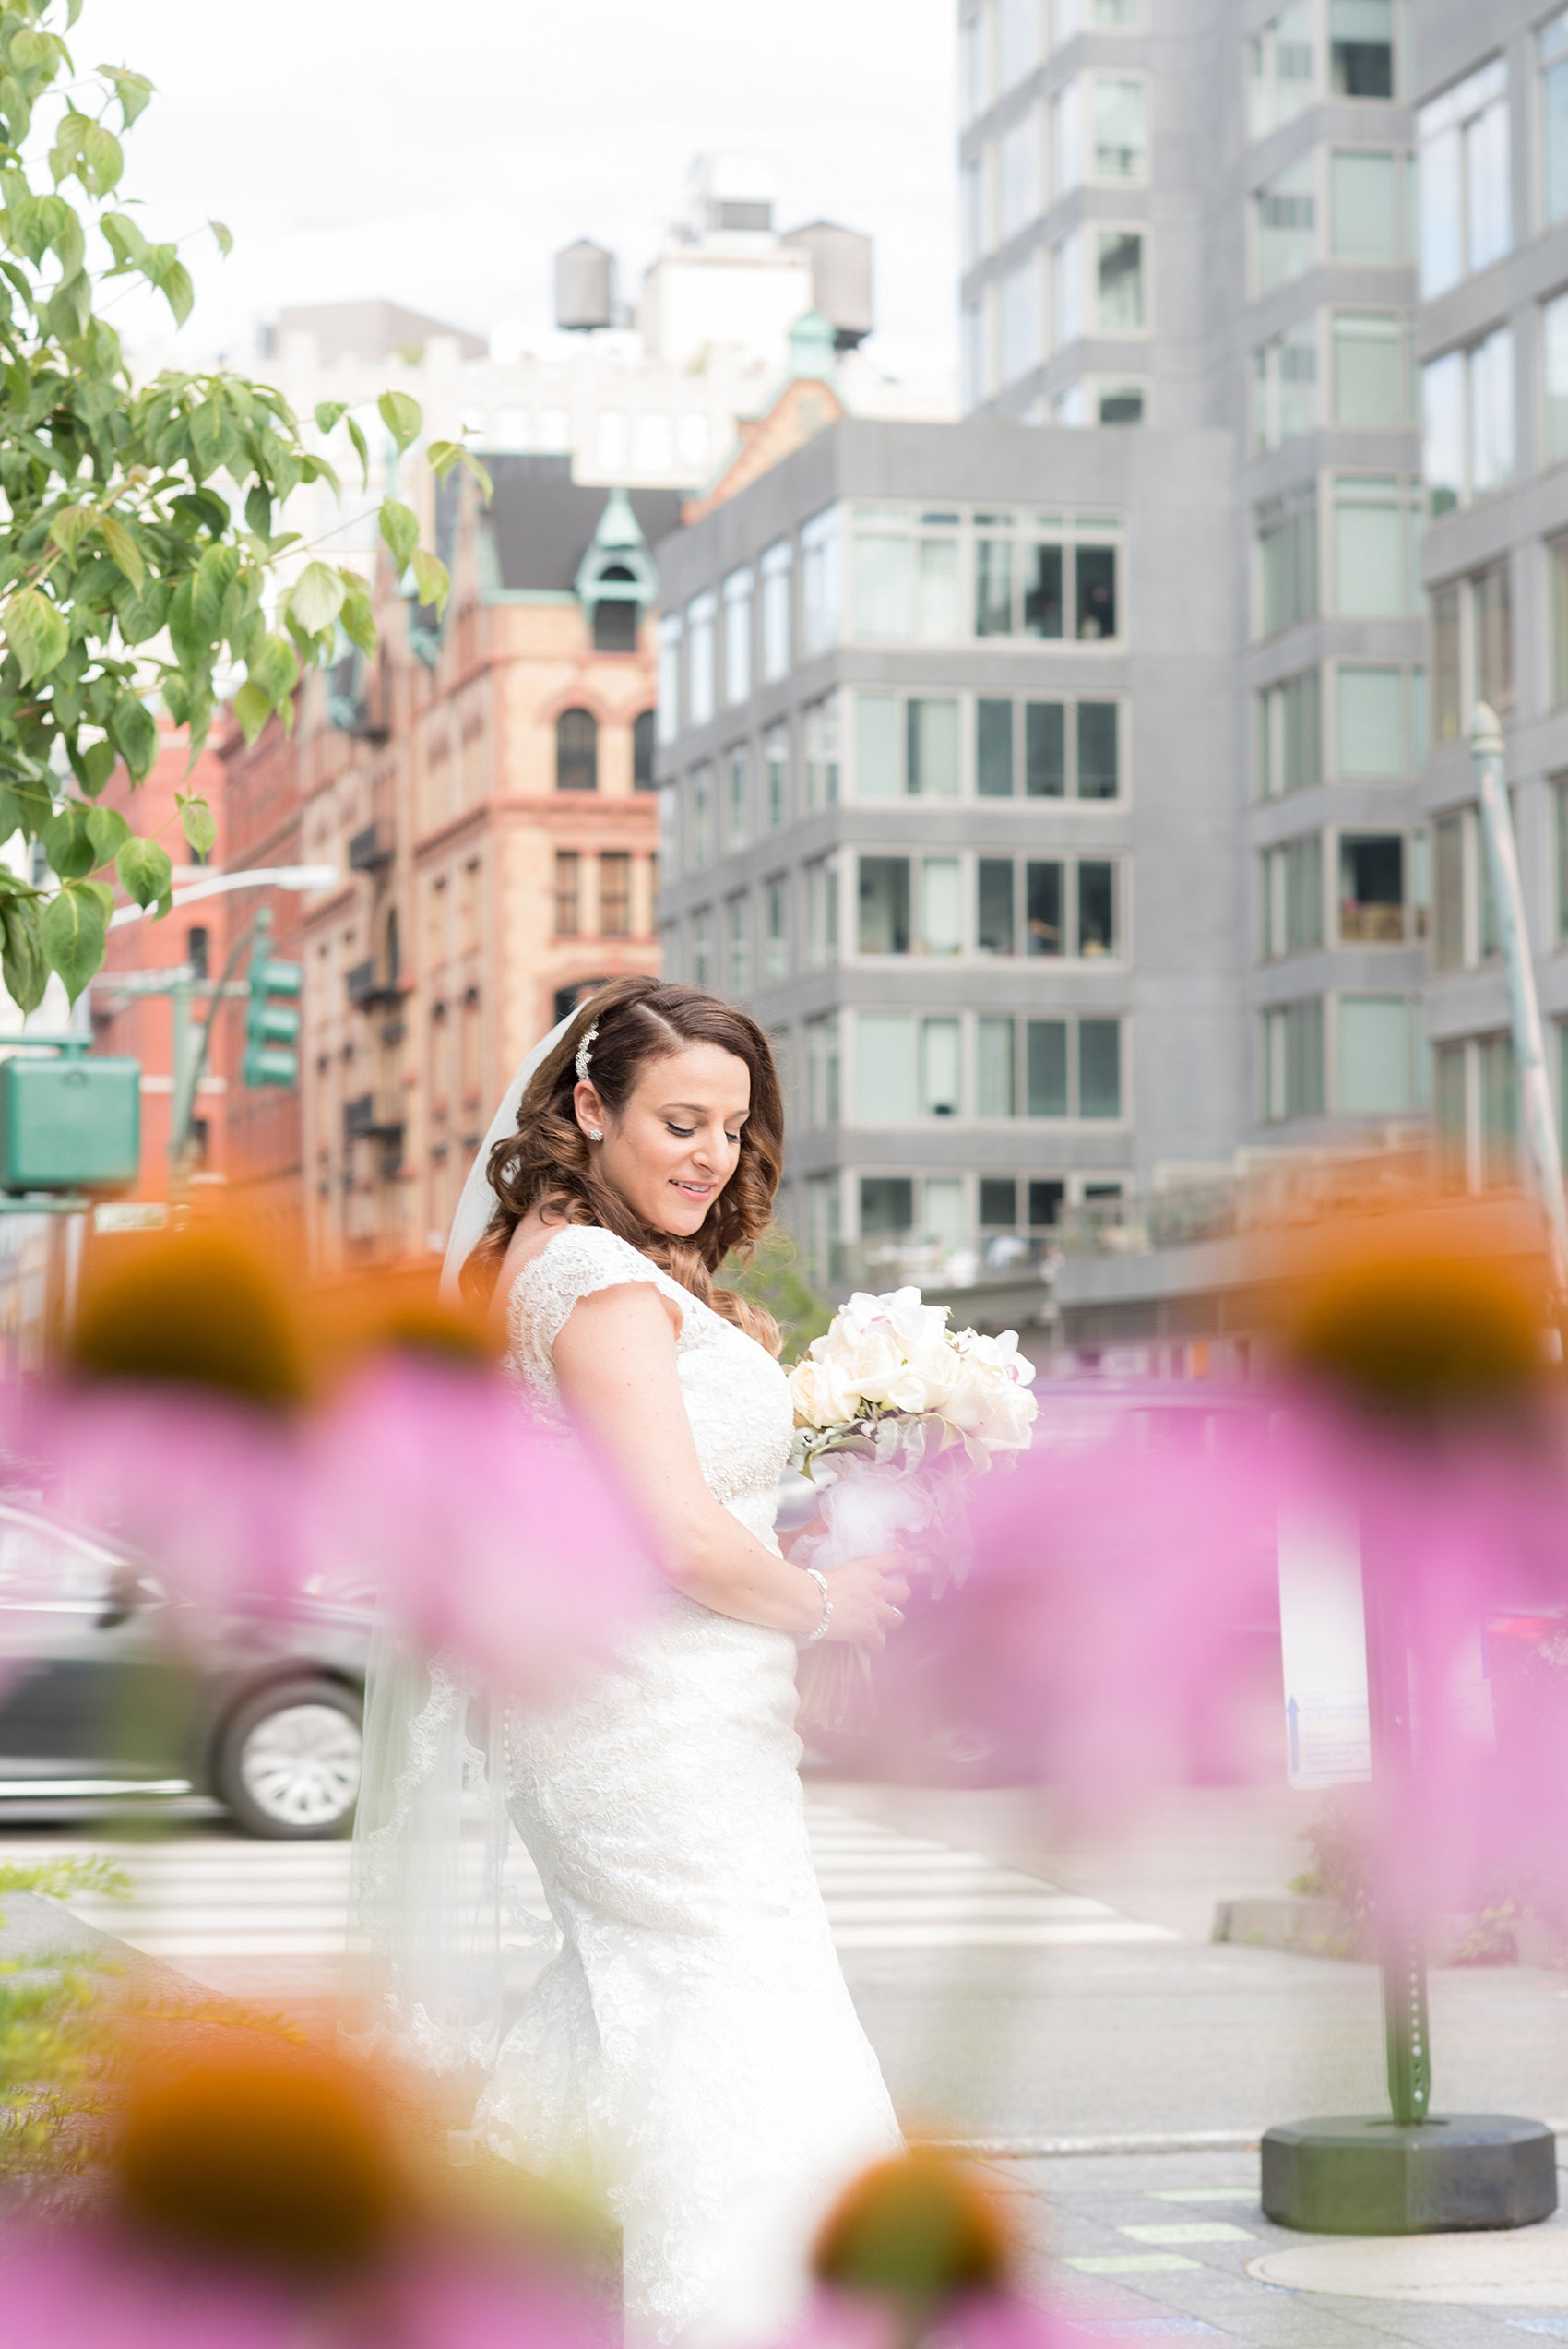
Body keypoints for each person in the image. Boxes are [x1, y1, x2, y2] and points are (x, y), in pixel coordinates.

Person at [455, 974, 907, 2348]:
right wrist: (829, 1602)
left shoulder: (593, 1265)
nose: (711, 1154)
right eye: (679, 1120)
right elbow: (679, 1541)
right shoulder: (590, 1281)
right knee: (755, 2026)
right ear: (588, 1107)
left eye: (732, 1125)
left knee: (639, 2015)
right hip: (648, 1731)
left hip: (668, 1712)